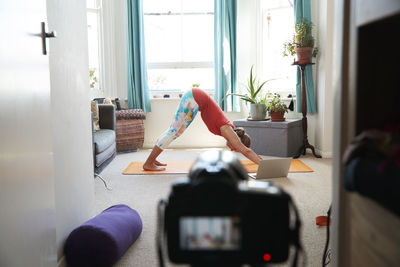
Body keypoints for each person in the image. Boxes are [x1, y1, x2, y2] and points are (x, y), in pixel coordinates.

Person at [143, 88, 262, 171]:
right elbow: (245, 150)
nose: (231, 149)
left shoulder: (227, 130)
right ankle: (149, 163)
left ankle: (152, 160)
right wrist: (263, 164)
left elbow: (245, 149)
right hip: (194, 98)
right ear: (237, 140)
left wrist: (257, 157)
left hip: (195, 97)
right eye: (235, 148)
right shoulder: (228, 131)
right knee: (173, 132)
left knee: (173, 131)